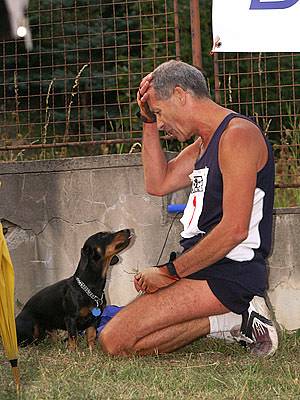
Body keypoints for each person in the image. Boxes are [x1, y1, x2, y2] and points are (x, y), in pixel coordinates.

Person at [99, 60, 278, 357]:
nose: (160, 124)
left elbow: (234, 230)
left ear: (181, 94)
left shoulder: (237, 136)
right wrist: (145, 121)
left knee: (113, 340)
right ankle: (231, 320)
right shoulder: (202, 145)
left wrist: (169, 273)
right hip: (200, 268)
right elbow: (157, 182)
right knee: (119, 344)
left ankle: (235, 312)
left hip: (231, 272)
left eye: (158, 112)